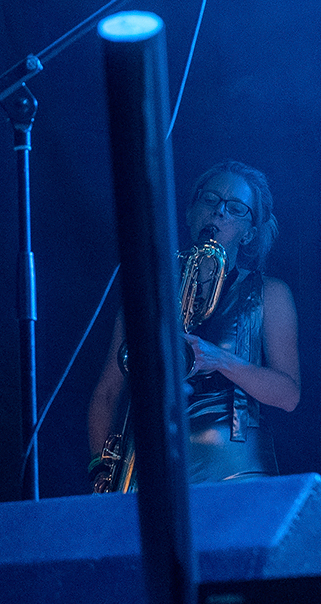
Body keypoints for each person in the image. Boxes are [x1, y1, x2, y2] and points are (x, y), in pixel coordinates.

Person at [87, 160, 301, 488]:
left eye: (235, 208)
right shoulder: (147, 296)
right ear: (189, 212)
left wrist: (218, 358)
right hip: (152, 475)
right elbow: (107, 393)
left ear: (249, 233)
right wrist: (101, 471)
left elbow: (288, 395)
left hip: (237, 476)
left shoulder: (270, 293)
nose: (219, 212)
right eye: (210, 199)